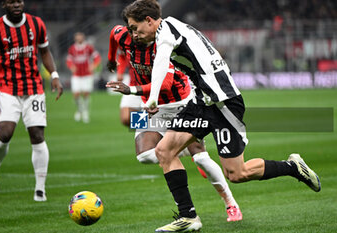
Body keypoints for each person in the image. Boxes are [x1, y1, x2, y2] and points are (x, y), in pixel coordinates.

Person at [123, 0, 321, 232]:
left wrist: (153, 98)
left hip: (224, 103)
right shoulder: (174, 28)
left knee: (237, 174)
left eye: (135, 28)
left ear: (149, 21)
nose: (134, 34)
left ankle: (292, 167)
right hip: (200, 103)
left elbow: (160, 63)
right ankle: (188, 217)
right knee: (164, 151)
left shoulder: (166, 32)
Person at [106, 24, 242, 222]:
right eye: (132, 29)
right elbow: (112, 35)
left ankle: (231, 204)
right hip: (150, 104)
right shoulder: (122, 35)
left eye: (139, 30)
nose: (136, 35)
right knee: (144, 155)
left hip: (181, 104)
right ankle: (173, 148)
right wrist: (112, 59)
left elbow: (166, 84)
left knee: (201, 158)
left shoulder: (162, 47)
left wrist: (131, 90)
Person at [0, 0, 63, 202]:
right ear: (4, 4)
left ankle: (40, 188)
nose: (17, 5)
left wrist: (54, 74)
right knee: (5, 133)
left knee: (37, 135)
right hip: (7, 89)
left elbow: (44, 51)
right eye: (12, 2)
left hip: (34, 88)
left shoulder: (36, 24)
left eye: (19, 1)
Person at [66, 32, 101, 123]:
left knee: (86, 94)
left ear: (83, 37)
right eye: (77, 37)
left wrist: (93, 65)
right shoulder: (72, 49)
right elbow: (69, 60)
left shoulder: (88, 47)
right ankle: (79, 110)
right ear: (75, 38)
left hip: (87, 75)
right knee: (76, 95)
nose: (79, 38)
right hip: (76, 75)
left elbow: (97, 57)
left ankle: (85, 112)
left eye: (80, 37)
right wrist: (71, 66)